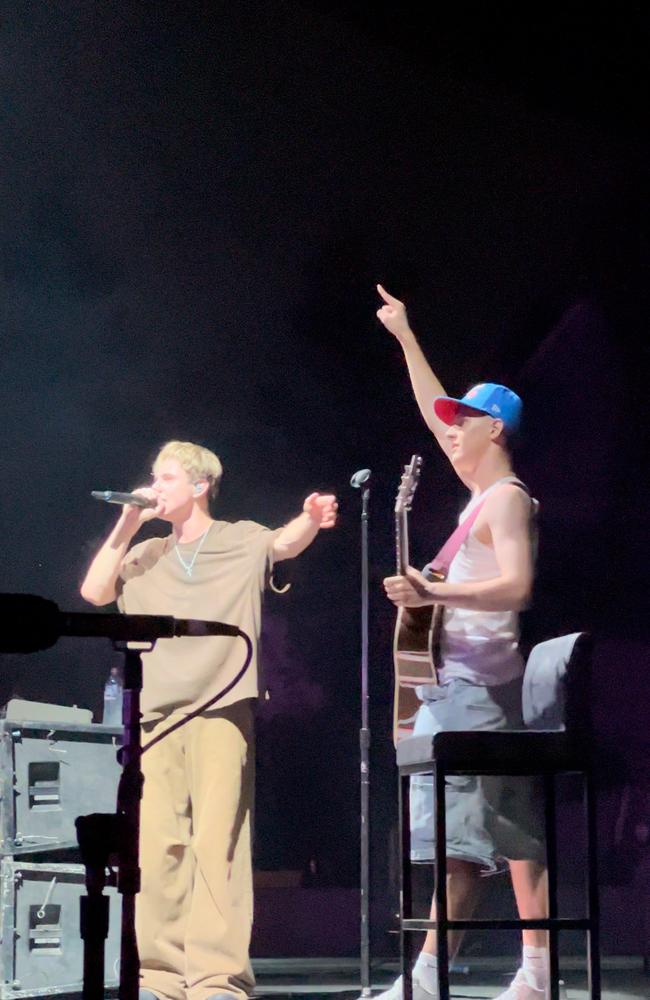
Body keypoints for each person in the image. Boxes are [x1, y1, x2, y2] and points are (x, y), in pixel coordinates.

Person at [80, 440, 337, 1000]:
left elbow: (286, 542)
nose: (155, 486)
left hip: (221, 708)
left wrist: (311, 517)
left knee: (218, 843)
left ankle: (216, 978)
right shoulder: (146, 552)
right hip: (156, 717)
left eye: (166, 478)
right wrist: (127, 523)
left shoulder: (238, 538)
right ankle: (160, 975)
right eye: (153, 477)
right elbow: (95, 591)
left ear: (199, 486)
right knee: (159, 848)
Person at [376, 285, 549, 1000]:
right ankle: (451, 975)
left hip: (480, 685)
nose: (451, 430)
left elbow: (517, 588)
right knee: (469, 841)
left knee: (491, 838)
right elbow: (431, 408)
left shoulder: (506, 499)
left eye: (465, 422)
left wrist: (434, 592)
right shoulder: (479, 494)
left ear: (495, 431)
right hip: (454, 688)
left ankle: (519, 973)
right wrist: (405, 337)